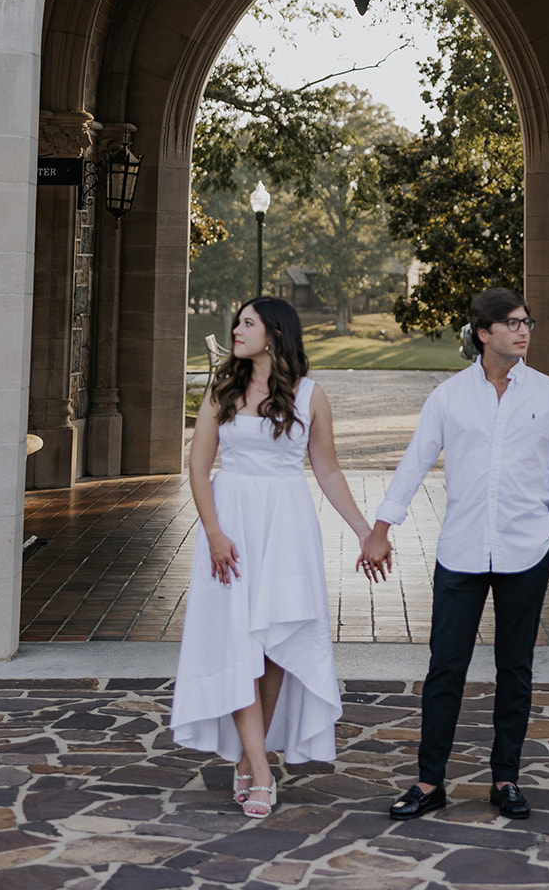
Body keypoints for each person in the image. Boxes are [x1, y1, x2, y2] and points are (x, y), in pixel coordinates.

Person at [361, 287, 549, 821]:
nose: (522, 331)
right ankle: (429, 781)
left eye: (527, 322)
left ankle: (505, 779)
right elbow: (414, 464)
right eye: (511, 323)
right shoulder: (448, 397)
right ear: (484, 333)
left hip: (527, 552)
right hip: (460, 551)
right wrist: (381, 528)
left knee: (516, 669)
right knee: (445, 669)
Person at [170, 296, 389, 818]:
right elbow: (198, 467)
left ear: (274, 334)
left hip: (287, 528)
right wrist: (214, 532)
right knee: (238, 645)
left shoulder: (311, 395)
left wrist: (364, 531)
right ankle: (262, 769)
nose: (237, 329)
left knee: (274, 648)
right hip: (234, 528)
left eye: (248, 323)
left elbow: (329, 471)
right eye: (237, 322)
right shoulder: (222, 391)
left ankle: (250, 759)